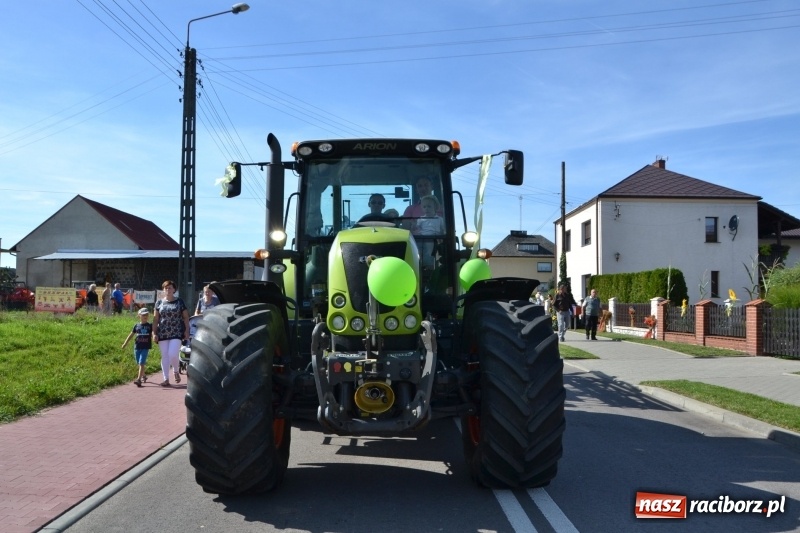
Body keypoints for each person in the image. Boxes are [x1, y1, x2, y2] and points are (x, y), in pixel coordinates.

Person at [153, 280, 190, 387]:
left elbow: (186, 317)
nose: (168, 290)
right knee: (165, 355)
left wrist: (187, 330)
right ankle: (166, 379)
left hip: (176, 331)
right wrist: (154, 333)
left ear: (174, 290)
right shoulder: (159, 302)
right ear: (163, 290)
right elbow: (155, 319)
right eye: (166, 288)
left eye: (170, 288)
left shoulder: (179, 302)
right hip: (163, 332)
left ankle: (175, 370)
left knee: (172, 353)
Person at [122, 307, 153, 387]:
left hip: (145, 347)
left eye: (146, 315)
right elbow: (131, 335)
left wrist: (155, 338)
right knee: (138, 362)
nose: (145, 316)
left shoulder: (150, 326)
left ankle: (139, 380)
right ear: (139, 316)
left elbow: (153, 333)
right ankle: (144, 376)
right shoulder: (136, 326)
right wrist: (125, 343)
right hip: (137, 347)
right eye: (143, 315)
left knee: (141, 362)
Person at [411, 195, 445, 269]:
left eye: (429, 206)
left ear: (435, 208)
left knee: (429, 252)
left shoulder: (439, 219)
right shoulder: (421, 219)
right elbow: (417, 227)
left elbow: (442, 229)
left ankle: (429, 265)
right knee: (418, 250)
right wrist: (413, 226)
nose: (426, 209)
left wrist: (442, 237)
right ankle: (420, 263)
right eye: (424, 207)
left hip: (434, 238)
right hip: (423, 237)